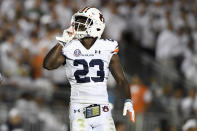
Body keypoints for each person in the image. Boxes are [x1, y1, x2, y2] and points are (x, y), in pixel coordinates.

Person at [43, 7, 135, 131]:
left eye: (83, 21)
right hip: (78, 109)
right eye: (78, 21)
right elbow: (48, 65)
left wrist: (128, 100)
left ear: (97, 24)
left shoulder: (107, 47)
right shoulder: (69, 46)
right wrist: (62, 41)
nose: (78, 25)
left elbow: (121, 80)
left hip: (102, 108)